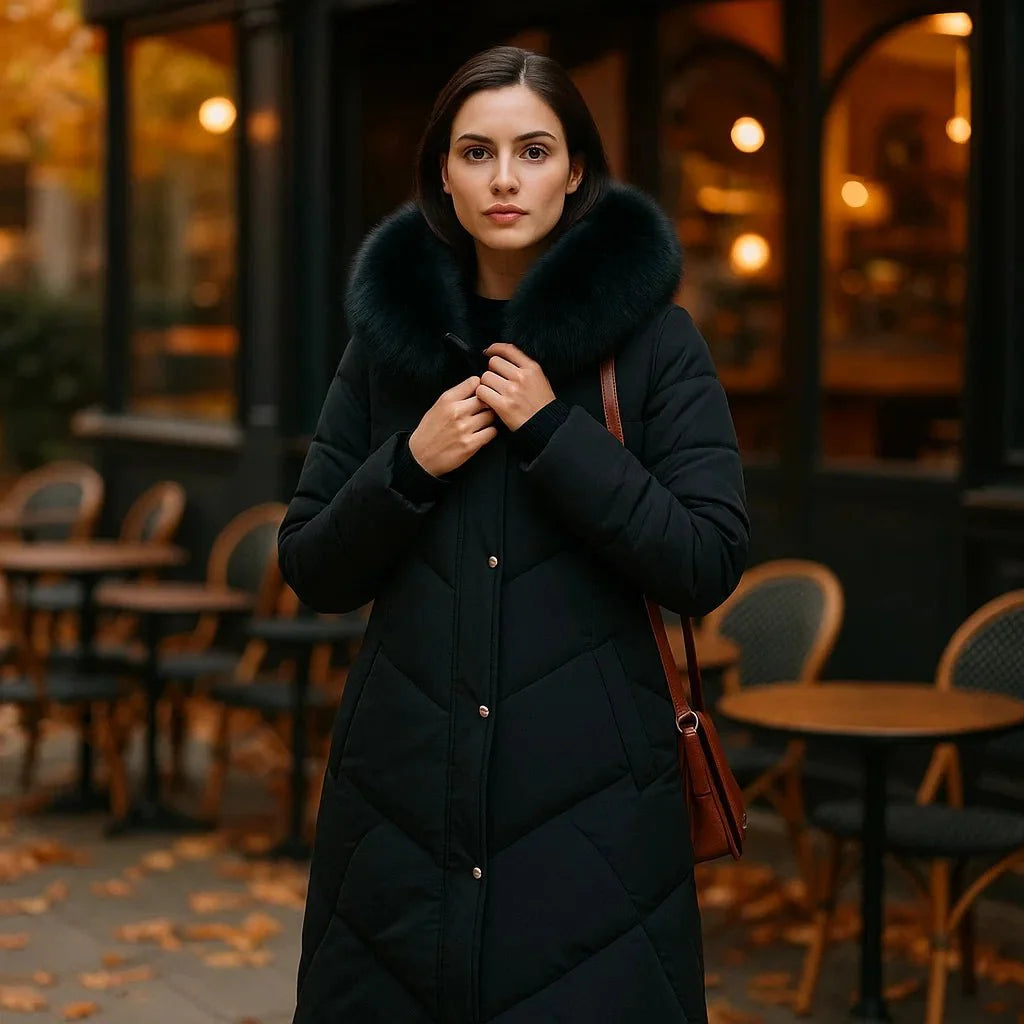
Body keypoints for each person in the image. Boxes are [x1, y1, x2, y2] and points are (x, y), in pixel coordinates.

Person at [279, 44, 749, 1024]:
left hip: (592, 814)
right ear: (443, 175)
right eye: (476, 152)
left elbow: (704, 559)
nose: (503, 179)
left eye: (533, 151)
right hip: (402, 803)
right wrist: (409, 464)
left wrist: (552, 433)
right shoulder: (387, 347)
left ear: (574, 170)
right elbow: (312, 566)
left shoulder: (653, 343)